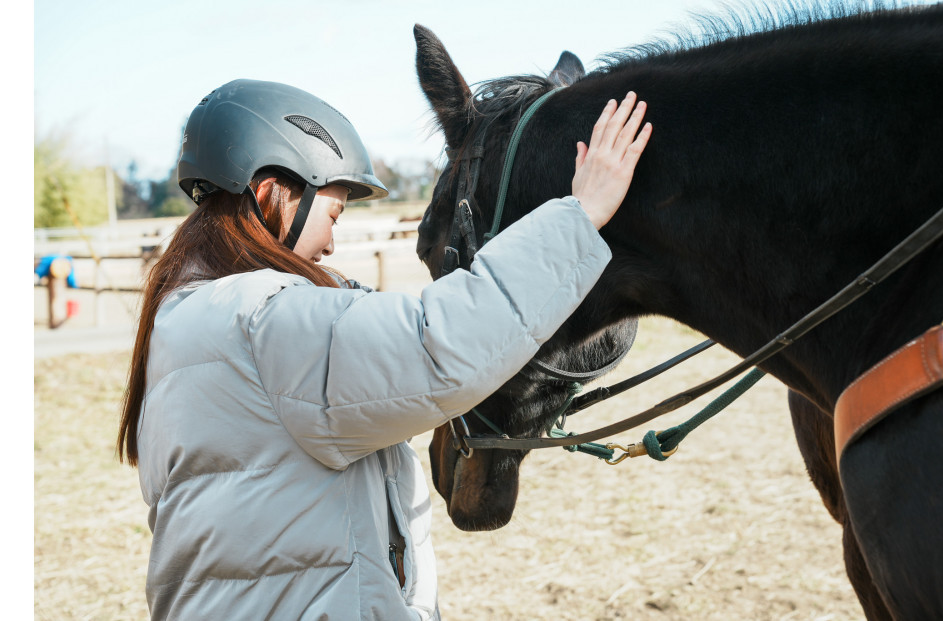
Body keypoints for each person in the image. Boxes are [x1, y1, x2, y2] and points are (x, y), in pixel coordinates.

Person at [117, 78, 651, 620]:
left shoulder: (193, 313)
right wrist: (579, 215)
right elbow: (437, 347)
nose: (330, 243)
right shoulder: (265, 319)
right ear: (268, 193)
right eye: (333, 214)